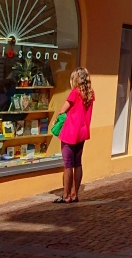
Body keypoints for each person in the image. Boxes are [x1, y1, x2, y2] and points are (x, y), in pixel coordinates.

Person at [52, 66, 94, 203]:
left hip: (70, 132)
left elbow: (63, 109)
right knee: (78, 163)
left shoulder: (75, 93)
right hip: (82, 132)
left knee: (68, 164)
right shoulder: (90, 93)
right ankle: (75, 194)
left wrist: (56, 120)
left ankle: (66, 196)